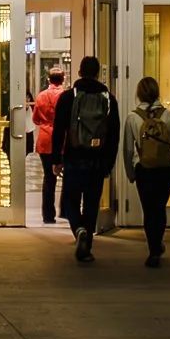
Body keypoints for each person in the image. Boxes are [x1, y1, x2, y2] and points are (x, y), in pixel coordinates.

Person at [58, 54, 119, 263]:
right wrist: (109, 163)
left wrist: (57, 159)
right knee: (92, 203)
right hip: (98, 160)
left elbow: (59, 129)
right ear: (97, 73)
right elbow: (113, 135)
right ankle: (87, 248)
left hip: (74, 157)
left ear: (79, 72)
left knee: (70, 200)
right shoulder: (109, 99)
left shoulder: (68, 97)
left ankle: (79, 229)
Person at [123, 76, 170, 267]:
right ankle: (158, 244)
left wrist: (131, 173)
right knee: (159, 208)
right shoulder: (168, 115)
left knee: (149, 210)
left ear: (139, 94)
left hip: (144, 170)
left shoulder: (132, 117)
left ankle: (153, 249)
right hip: (165, 169)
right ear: (157, 92)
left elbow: (128, 150)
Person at [31, 66, 69, 224]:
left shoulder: (41, 96)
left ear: (48, 80)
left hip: (46, 139)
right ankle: (65, 211)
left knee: (48, 178)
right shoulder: (66, 96)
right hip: (65, 140)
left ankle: (48, 215)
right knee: (68, 177)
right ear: (63, 79)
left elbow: (35, 119)